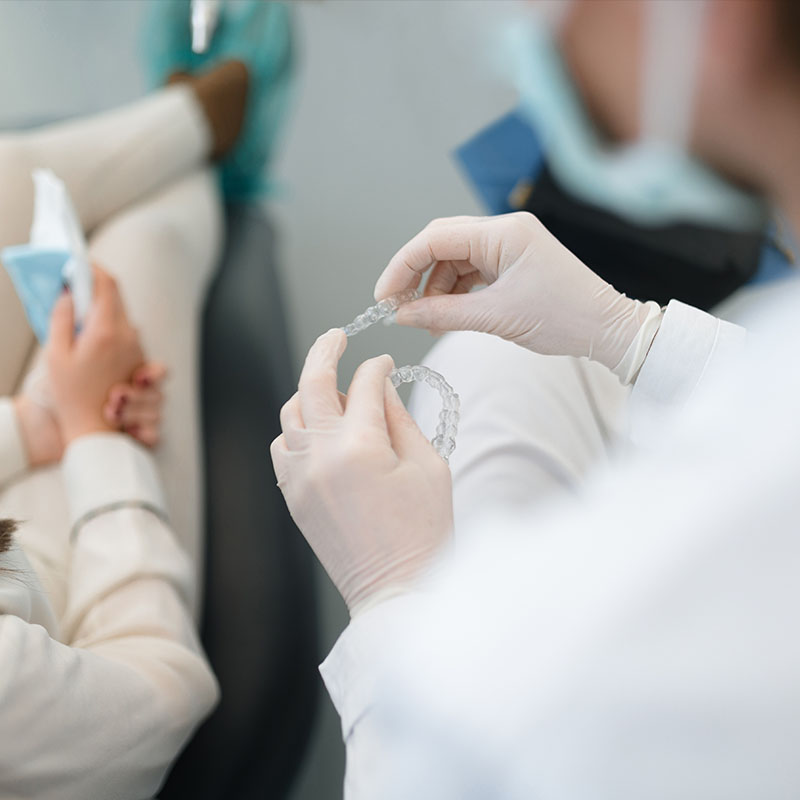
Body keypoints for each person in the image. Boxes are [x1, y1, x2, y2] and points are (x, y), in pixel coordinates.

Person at [271, 0, 800, 796]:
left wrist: (393, 596)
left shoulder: (719, 553)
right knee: (503, 359)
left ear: (718, 19)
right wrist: (631, 334)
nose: (535, 39)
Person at [0, 0, 291, 790]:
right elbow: (158, 699)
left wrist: (32, 425)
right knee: (138, 250)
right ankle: (200, 136)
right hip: (60, 596)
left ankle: (190, 114)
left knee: (7, 186)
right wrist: (95, 437)